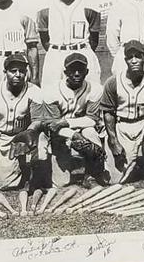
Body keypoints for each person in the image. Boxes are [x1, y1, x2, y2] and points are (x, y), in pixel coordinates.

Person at [35, 52, 116, 188]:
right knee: (61, 183)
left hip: (83, 128)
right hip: (58, 134)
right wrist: (72, 134)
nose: (77, 73)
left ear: (87, 71)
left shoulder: (95, 89)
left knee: (91, 133)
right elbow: (52, 125)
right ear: (66, 72)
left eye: (81, 69)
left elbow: (92, 119)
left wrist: (67, 123)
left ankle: (92, 175)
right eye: (73, 70)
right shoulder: (51, 90)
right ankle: (43, 172)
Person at [101, 40, 144, 186]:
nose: (134, 60)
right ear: (125, 60)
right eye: (130, 57)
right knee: (115, 181)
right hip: (122, 126)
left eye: (138, 56)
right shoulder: (112, 82)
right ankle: (137, 164)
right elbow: (108, 113)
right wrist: (113, 141)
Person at [0, 52, 46, 191]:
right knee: (5, 185)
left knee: (42, 138)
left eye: (22, 71)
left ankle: (33, 174)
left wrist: (29, 133)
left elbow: (38, 120)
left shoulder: (35, 92)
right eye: (13, 71)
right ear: (5, 72)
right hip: (0, 137)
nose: (18, 74)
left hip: (23, 137)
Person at [37, 0, 102, 85]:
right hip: (55, 55)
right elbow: (44, 39)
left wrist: (81, 52)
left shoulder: (89, 6)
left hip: (82, 53)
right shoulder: (45, 8)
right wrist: (58, 51)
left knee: (90, 92)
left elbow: (94, 40)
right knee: (51, 94)